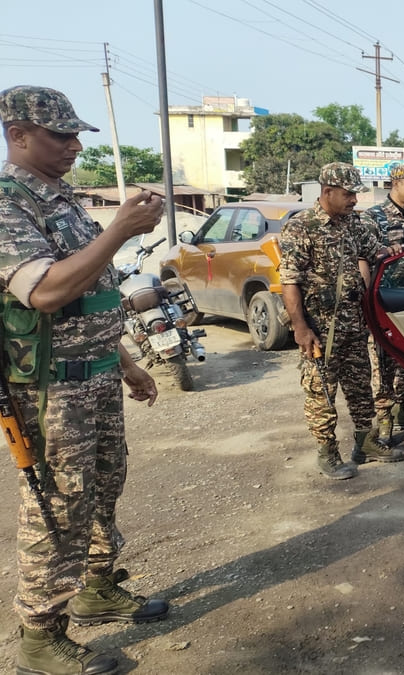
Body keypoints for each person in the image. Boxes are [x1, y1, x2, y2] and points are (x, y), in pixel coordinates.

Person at [0, 85, 169, 675]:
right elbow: (45, 292)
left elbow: (90, 296)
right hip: (49, 389)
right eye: (59, 135)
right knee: (57, 504)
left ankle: (98, 587)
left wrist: (124, 364)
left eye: (77, 135)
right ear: (17, 134)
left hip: (94, 375)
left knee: (103, 486)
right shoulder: (6, 201)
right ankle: (40, 634)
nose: (74, 145)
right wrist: (118, 231)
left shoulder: (61, 199)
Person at [279, 162, 404, 479]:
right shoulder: (301, 227)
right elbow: (289, 282)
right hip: (321, 331)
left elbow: (372, 249)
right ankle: (328, 453)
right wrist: (301, 328)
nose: (354, 200)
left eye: (355, 194)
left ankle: (365, 444)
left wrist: (390, 250)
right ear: (328, 192)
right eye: (349, 194)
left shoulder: (353, 224)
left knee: (360, 388)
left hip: (354, 325)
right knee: (321, 393)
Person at [362, 164, 404, 442]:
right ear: (395, 183)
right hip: (383, 304)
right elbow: (363, 262)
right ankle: (384, 419)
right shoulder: (373, 218)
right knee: (382, 363)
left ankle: (402, 409)